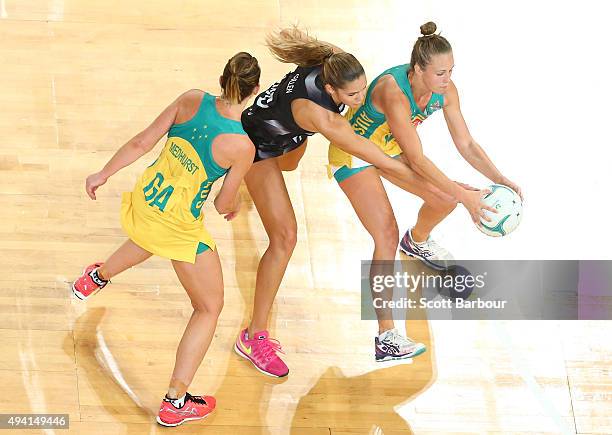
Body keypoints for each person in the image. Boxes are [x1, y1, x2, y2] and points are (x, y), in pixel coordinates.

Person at [233, 27, 473, 377]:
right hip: (256, 145)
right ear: (330, 90)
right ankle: (253, 336)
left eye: (364, 90)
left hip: (287, 134)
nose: (360, 100)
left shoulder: (333, 63)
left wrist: (443, 189)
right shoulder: (324, 117)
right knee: (284, 238)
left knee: (291, 164)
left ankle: (245, 185)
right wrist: (451, 189)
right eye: (354, 95)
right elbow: (381, 158)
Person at [70, 52, 261, 427]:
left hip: (147, 201)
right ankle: (175, 401)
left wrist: (103, 173)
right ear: (255, 90)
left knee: (147, 236)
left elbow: (142, 142)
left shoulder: (191, 99)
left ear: (222, 79)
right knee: (210, 306)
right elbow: (223, 204)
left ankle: (95, 278)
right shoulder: (242, 147)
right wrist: (235, 201)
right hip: (177, 225)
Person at [328, 22, 523, 361]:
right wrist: (466, 197)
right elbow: (416, 158)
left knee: (445, 198)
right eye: (440, 72)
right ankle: (386, 336)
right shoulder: (393, 92)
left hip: (387, 148)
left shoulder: (445, 91)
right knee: (385, 235)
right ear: (417, 69)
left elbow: (466, 143)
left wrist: (499, 178)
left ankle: (416, 241)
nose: (446, 80)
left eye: (451, 71)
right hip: (355, 153)